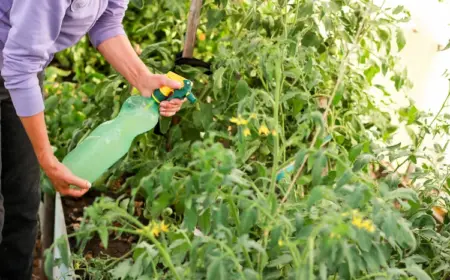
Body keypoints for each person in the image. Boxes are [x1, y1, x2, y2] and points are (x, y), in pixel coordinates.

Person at [0, 0, 185, 278]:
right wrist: (46, 157)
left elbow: (106, 22)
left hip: (18, 68)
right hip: (17, 66)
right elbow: (20, 66)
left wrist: (143, 78)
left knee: (24, 201)